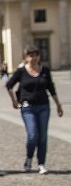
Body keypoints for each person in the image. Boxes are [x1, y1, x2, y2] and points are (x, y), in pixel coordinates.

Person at [5, 46, 64, 174]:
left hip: (44, 106)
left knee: (43, 137)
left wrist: (58, 105)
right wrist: (14, 101)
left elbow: (51, 89)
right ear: (25, 57)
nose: (33, 57)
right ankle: (29, 157)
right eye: (30, 55)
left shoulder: (45, 71)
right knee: (33, 135)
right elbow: (9, 85)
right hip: (27, 107)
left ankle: (41, 163)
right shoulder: (21, 71)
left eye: (36, 54)